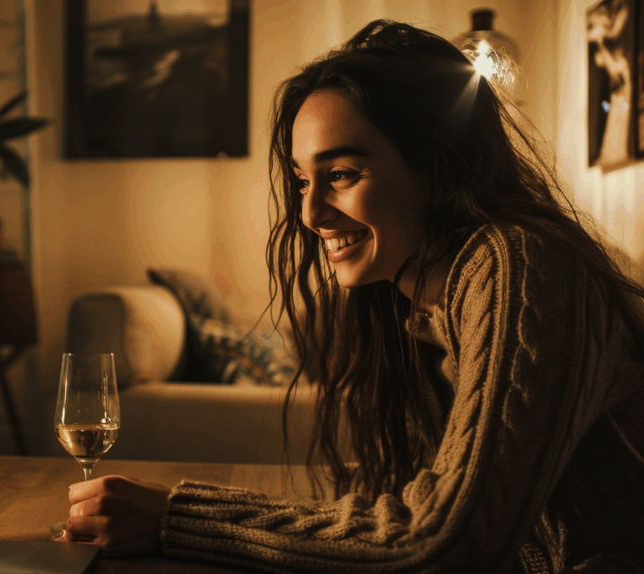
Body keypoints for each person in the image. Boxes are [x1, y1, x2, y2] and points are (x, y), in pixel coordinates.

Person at [64, 20, 644, 573]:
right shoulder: (417, 305)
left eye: (340, 173)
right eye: (300, 180)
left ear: (436, 165)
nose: (311, 213)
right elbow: (417, 512)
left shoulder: (519, 262)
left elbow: (443, 540)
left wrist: (177, 517)